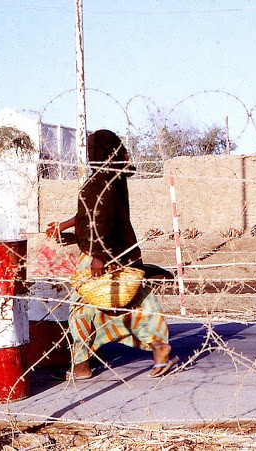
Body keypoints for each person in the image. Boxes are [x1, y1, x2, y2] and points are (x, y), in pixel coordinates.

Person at [46, 129, 178, 380]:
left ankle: (81, 365)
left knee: (81, 309)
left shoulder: (99, 182)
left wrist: (97, 255)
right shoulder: (114, 179)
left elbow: (101, 220)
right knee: (133, 305)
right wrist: (64, 228)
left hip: (101, 256)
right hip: (123, 254)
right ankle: (159, 346)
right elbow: (88, 216)